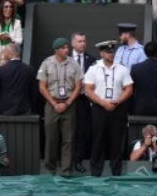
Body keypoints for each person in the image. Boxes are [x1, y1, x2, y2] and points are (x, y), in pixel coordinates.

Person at [83, 39, 133, 175]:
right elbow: (88, 89)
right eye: (107, 52)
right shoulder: (94, 68)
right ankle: (95, 172)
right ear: (101, 54)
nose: (111, 54)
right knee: (98, 140)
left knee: (116, 141)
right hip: (99, 109)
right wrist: (102, 102)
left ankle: (116, 172)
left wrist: (117, 101)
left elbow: (129, 88)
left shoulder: (122, 68)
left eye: (112, 51)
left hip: (117, 108)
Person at [37, 37, 83, 175]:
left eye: (67, 47)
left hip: (69, 103)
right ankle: (50, 168)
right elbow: (42, 86)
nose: (66, 50)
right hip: (52, 104)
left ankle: (66, 170)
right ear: (56, 50)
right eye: (63, 48)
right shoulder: (47, 63)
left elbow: (78, 86)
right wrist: (54, 103)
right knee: (51, 138)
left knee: (68, 139)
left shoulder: (74, 64)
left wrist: (67, 103)